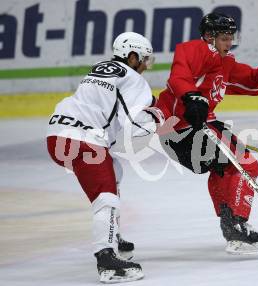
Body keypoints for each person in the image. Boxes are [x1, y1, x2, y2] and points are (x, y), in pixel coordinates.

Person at [157, 13, 258, 254]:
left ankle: (231, 227)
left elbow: (253, 82)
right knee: (246, 165)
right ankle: (237, 225)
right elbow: (179, 76)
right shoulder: (196, 49)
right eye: (225, 38)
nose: (229, 43)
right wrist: (191, 96)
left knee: (223, 169)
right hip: (182, 129)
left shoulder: (224, 63)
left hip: (195, 128)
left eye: (231, 38)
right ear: (208, 36)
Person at [46, 32, 164, 283]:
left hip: (57, 135)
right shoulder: (133, 78)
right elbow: (134, 123)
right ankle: (107, 258)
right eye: (144, 59)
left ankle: (113, 235)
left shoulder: (101, 69)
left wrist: (153, 105)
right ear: (132, 56)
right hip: (83, 139)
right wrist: (162, 120)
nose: (145, 66)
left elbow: (113, 105)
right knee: (106, 195)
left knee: (114, 171)